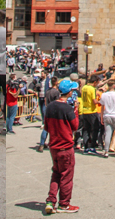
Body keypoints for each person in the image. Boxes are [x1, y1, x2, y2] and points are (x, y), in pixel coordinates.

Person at [43, 82, 80, 214]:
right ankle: (64, 204)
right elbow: (75, 126)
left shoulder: (50, 106)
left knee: (56, 173)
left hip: (54, 146)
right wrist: (76, 111)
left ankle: (50, 201)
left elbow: (46, 127)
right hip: (65, 146)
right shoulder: (68, 108)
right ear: (69, 92)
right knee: (66, 176)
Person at [99, 79, 115, 157]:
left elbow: (102, 107)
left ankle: (106, 151)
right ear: (113, 86)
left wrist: (102, 117)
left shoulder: (104, 95)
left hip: (107, 115)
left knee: (108, 133)